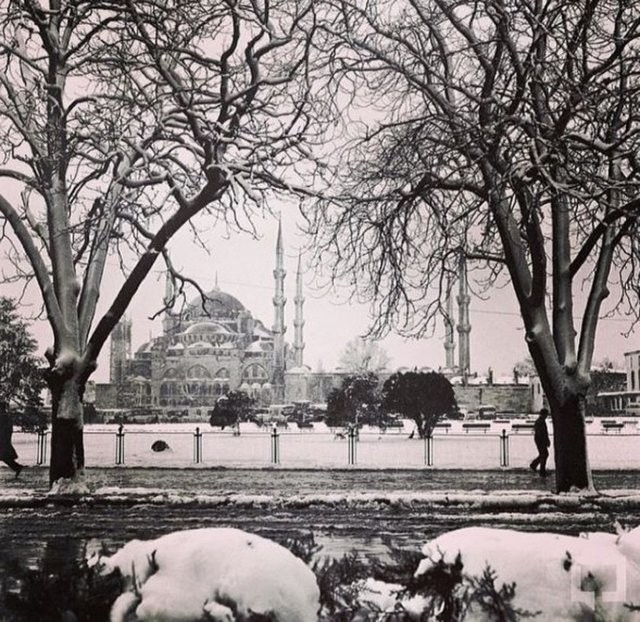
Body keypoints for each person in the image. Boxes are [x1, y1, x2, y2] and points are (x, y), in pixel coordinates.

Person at [0, 411, 24, 477]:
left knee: (5, 457)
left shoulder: (3, 417)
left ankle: (17, 467)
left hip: (2, 441)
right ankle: (17, 467)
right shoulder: (5, 417)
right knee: (5, 457)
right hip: (3, 441)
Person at [530, 408, 550, 477]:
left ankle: (535, 465)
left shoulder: (540, 421)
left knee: (543, 454)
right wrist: (546, 441)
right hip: (541, 440)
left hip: (539, 440)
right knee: (544, 454)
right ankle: (542, 470)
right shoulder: (541, 421)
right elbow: (542, 433)